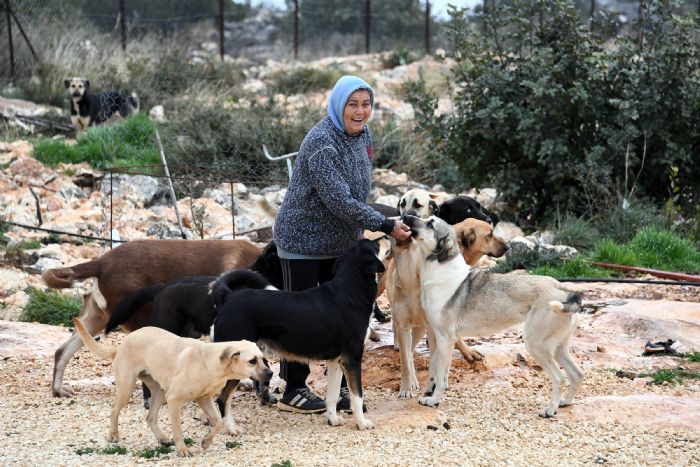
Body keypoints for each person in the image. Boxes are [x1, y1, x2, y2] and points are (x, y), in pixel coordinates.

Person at [272, 75, 412, 414]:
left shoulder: (363, 135)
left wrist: (364, 226)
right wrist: (385, 225)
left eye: (366, 104)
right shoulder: (323, 142)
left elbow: (358, 186)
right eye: (353, 104)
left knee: (342, 313)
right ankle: (293, 388)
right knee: (300, 316)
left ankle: (342, 387)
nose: (360, 111)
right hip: (303, 239)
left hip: (340, 241)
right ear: (339, 106)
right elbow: (338, 199)